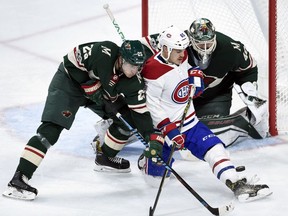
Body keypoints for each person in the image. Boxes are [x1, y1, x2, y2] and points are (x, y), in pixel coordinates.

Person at [2, 40, 164, 200]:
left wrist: (152, 138)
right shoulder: (103, 52)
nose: (134, 70)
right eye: (131, 65)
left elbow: (140, 114)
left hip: (99, 92)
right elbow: (71, 61)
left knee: (127, 120)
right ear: (121, 58)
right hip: (69, 84)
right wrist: (91, 86)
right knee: (50, 130)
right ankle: (19, 179)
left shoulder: (134, 81)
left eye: (138, 66)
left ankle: (105, 158)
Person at [139, 25, 272, 202]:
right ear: (165, 49)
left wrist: (195, 77)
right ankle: (148, 162)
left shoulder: (182, 56)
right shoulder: (152, 72)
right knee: (155, 180)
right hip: (166, 131)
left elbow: (187, 75)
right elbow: (153, 108)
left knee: (216, 149)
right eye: (177, 50)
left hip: (191, 124)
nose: (182, 53)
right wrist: (170, 131)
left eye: (183, 49)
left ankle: (237, 184)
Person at [140, 18, 268, 147]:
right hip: (177, 99)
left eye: (209, 42)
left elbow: (248, 69)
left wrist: (249, 90)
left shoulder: (230, 48)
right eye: (201, 44)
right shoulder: (178, 42)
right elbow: (144, 45)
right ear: (190, 39)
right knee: (157, 123)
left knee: (205, 134)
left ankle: (241, 123)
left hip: (215, 96)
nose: (205, 48)